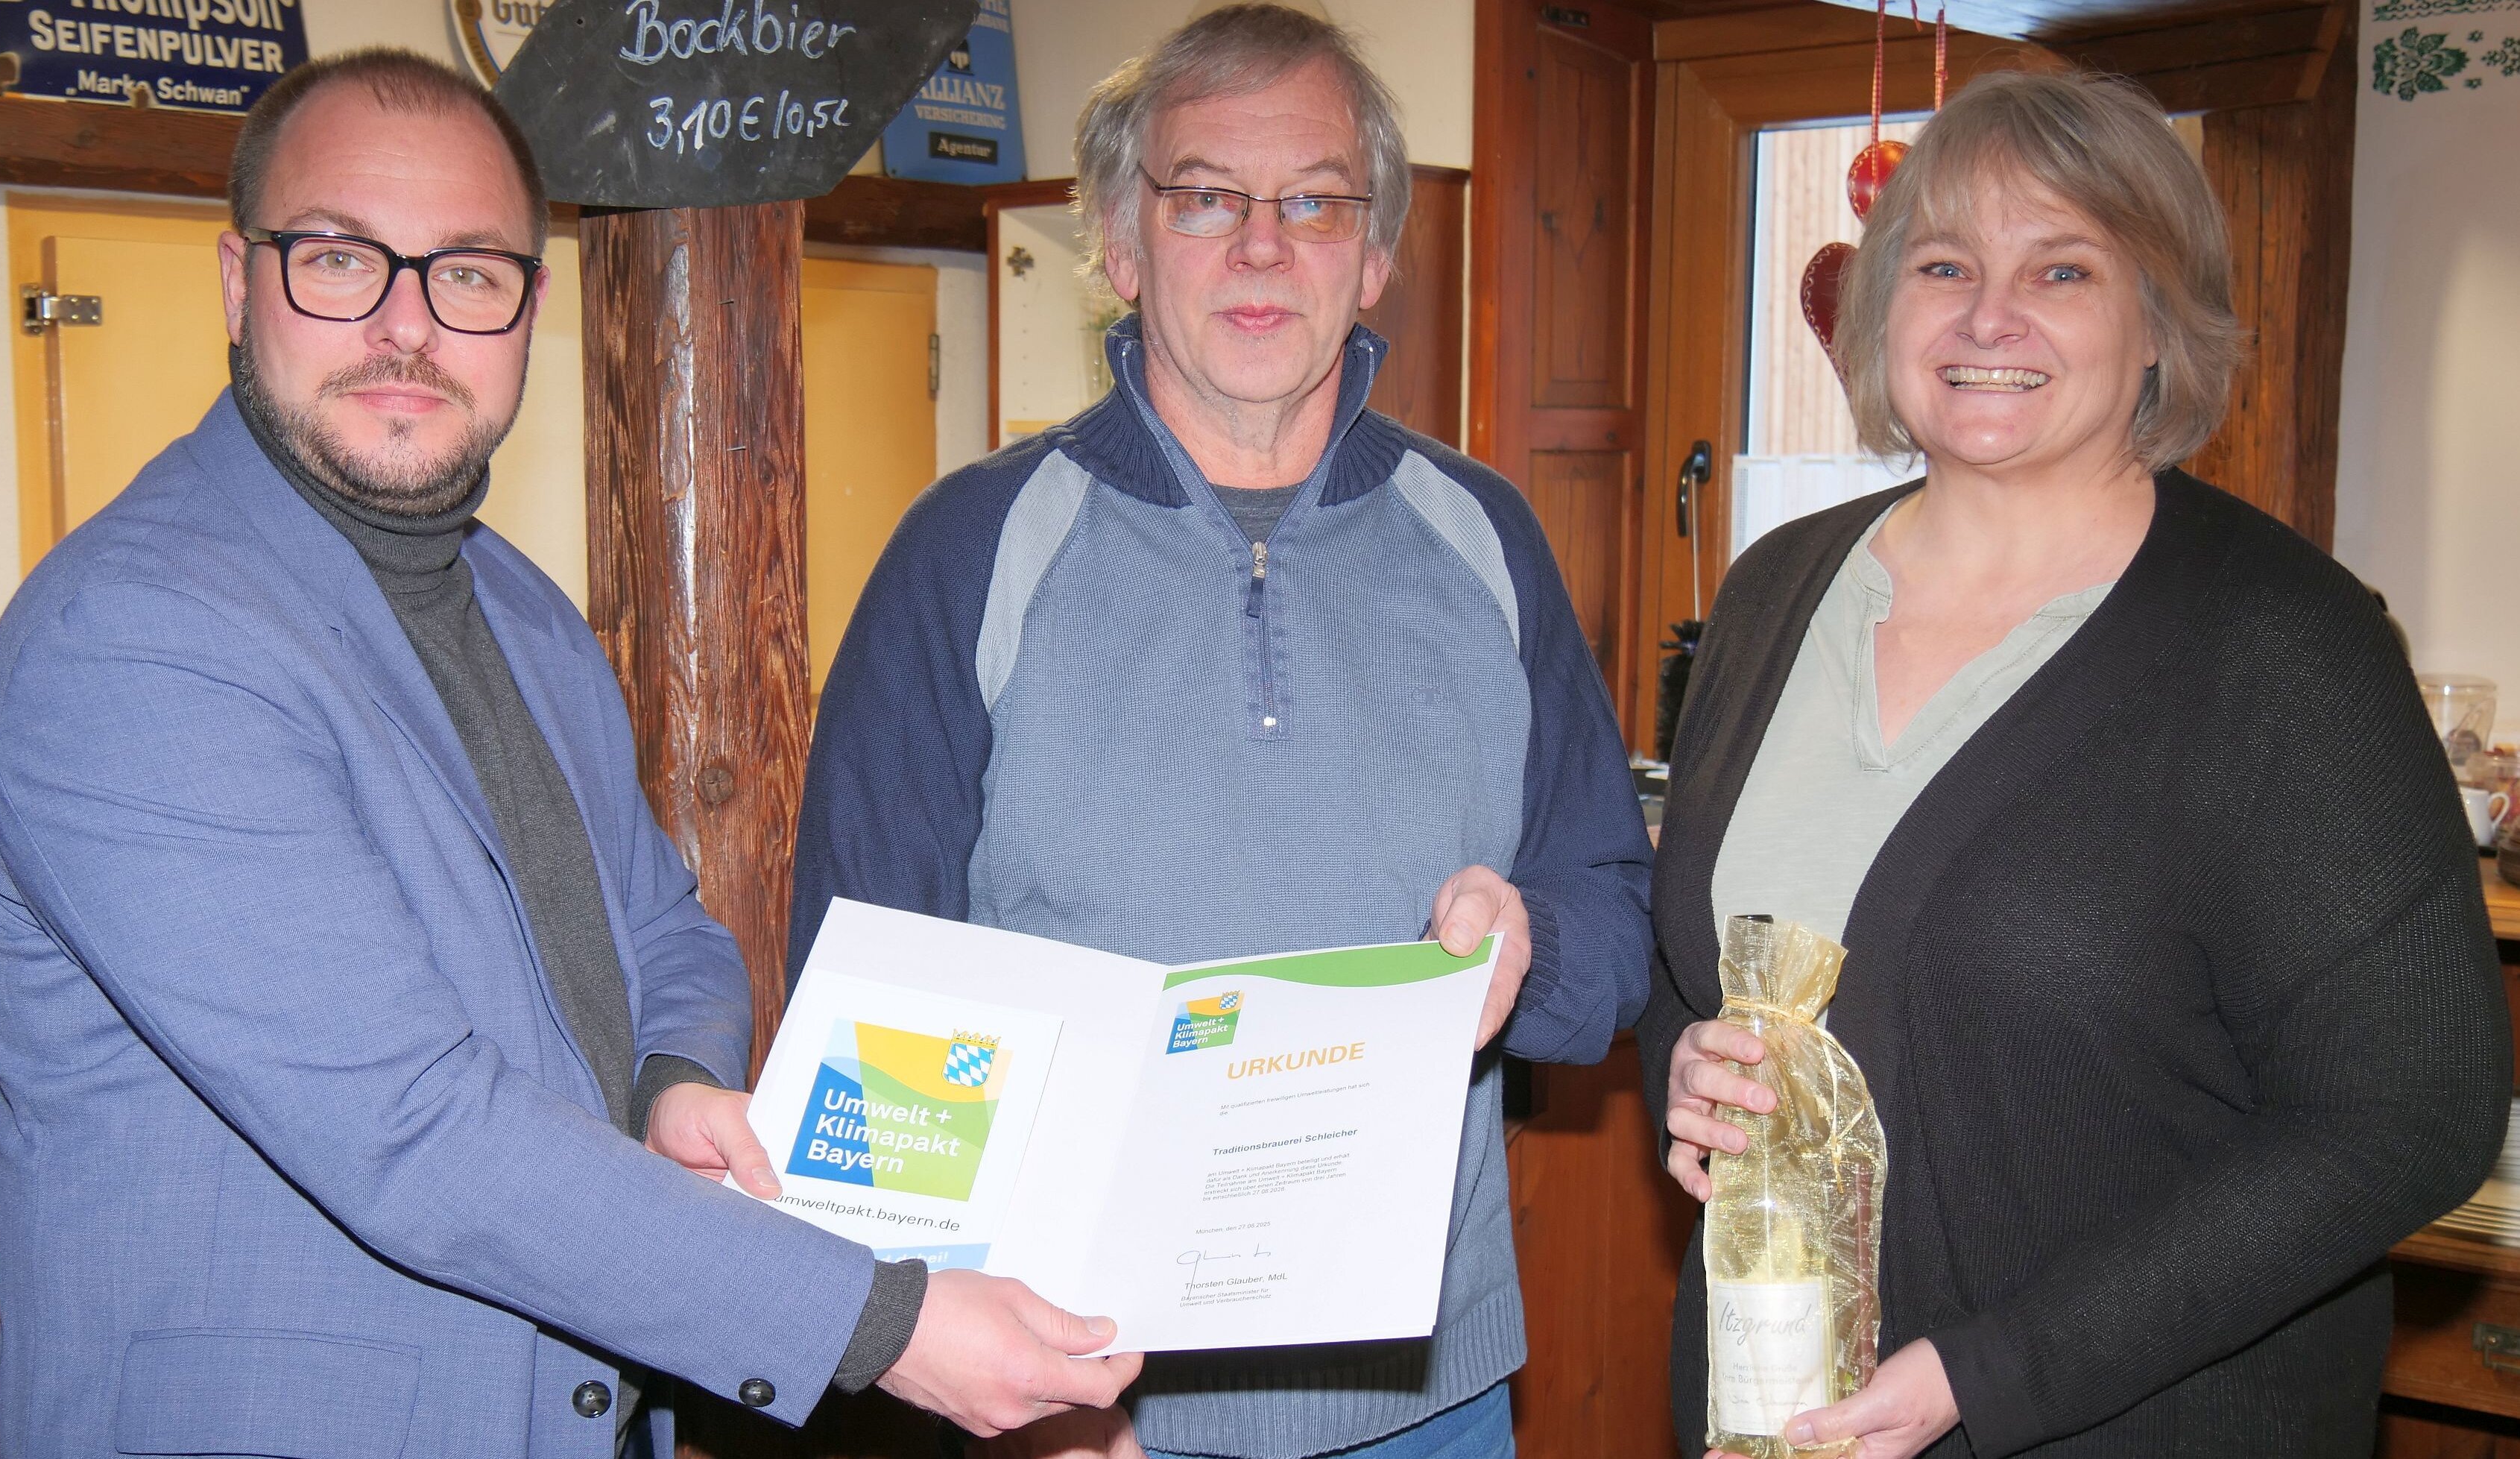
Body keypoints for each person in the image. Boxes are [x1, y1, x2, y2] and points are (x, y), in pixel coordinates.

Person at [0, 49, 1138, 1458]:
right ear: (238, 283)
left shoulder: (519, 609)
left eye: (468, 273)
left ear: (527, 304)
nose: (409, 328)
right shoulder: (133, 643)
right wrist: (879, 1322)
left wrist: (668, 1086)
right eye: (342, 260)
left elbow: (665, 931)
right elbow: (410, 1127)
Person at [790, 7, 1654, 1458]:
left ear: (1374, 253)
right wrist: (1013, 1395)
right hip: (1079, 1399)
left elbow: (1615, 921)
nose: (1264, 247)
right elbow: (868, 1014)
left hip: (1426, 1406)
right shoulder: (970, 547)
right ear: (1122, 249)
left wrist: (1534, 944)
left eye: (1315, 200)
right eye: (1206, 198)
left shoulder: (1486, 536)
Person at [1640, 69, 2510, 1459]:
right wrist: (1680, 1067)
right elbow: (1691, 963)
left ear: (2159, 322)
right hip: (1772, 1406)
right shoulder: (1775, 592)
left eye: (2062, 268)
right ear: (1882, 312)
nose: (1990, 316)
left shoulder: (2285, 649)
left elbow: (2414, 1112)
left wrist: (1989, 1370)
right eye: (1942, 265)